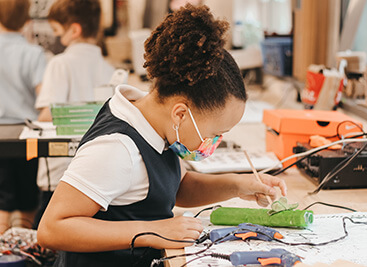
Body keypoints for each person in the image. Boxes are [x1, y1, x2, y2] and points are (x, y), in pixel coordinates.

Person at [37, 4, 287, 266]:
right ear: (180, 114)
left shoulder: (157, 125)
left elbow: (175, 187)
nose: (214, 142)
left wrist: (239, 185)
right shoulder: (116, 149)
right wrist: (152, 231)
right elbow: (52, 228)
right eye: (215, 133)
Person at [33, 0, 115, 229]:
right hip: (98, 179)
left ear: (75, 30)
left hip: (60, 175)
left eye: (58, 32)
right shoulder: (111, 70)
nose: (58, 39)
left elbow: (47, 115)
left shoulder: (59, 64)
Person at [0, 0, 47, 233]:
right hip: (25, 136)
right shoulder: (33, 52)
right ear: (27, 19)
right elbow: (43, 97)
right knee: (28, 197)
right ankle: (24, 248)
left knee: (2, 200)